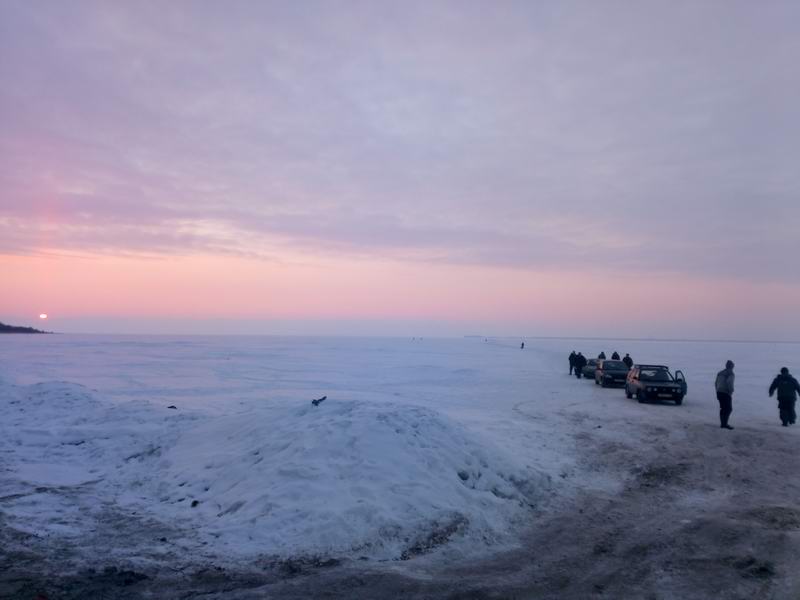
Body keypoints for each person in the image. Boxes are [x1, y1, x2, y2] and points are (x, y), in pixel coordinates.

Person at [715, 360, 736, 430]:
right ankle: (724, 424)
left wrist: (717, 391)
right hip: (725, 393)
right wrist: (731, 391)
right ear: (731, 366)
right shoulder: (731, 373)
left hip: (719, 392)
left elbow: (716, 383)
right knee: (728, 408)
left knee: (723, 408)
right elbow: (729, 382)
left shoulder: (720, 373)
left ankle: (723, 424)